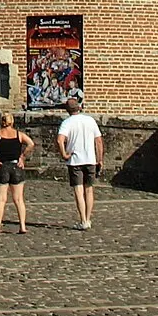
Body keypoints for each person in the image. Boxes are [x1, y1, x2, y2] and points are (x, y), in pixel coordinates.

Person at [56, 96, 103, 230]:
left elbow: (60, 140)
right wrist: (100, 159)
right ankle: (88, 219)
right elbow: (98, 141)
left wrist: (64, 154)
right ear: (79, 107)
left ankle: (82, 219)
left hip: (75, 160)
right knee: (89, 190)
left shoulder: (67, 122)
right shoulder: (90, 120)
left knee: (78, 190)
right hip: (90, 159)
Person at [0, 112, 34, 233]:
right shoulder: (18, 134)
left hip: (2, 166)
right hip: (16, 166)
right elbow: (31, 143)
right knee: (19, 199)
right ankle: (22, 226)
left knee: (1, 199)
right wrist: (23, 156)